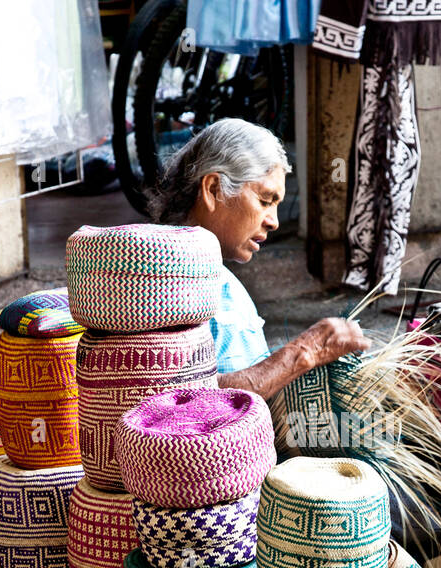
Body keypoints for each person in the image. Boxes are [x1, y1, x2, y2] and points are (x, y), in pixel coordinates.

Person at [149, 118, 371, 399]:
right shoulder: (163, 283)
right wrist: (301, 354)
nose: (274, 222)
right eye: (265, 201)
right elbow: (178, 400)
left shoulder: (220, 278)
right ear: (214, 189)